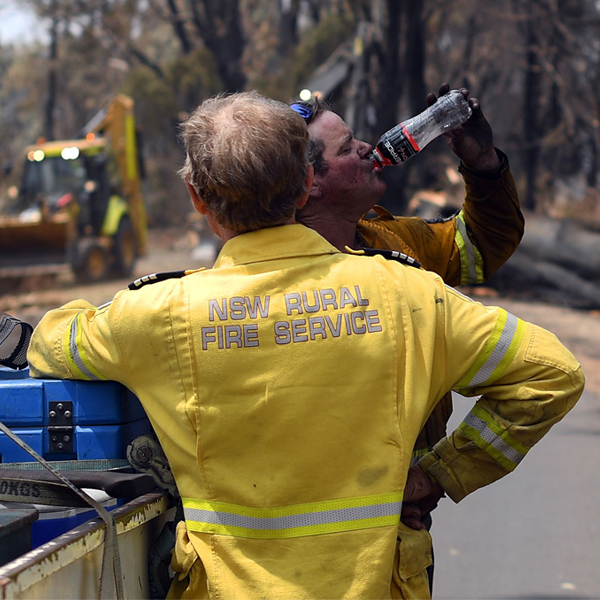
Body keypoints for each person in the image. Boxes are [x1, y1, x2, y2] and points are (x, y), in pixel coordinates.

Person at [27, 91, 584, 600]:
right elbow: (553, 373)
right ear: (302, 187)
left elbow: (51, 342)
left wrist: (98, 313)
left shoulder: (159, 314)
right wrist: (444, 472)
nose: (370, 149)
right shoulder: (406, 291)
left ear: (198, 199)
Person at [290, 85, 524, 582]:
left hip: (408, 521)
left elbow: (480, 246)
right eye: (345, 145)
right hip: (321, 537)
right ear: (309, 182)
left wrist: (482, 165)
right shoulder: (278, 273)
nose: (365, 147)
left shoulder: (387, 238)